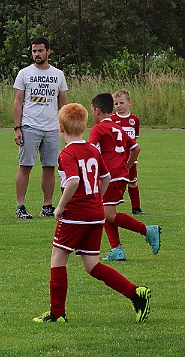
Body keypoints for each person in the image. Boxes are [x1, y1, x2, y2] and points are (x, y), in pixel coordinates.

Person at [33, 103, 152, 324]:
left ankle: (57, 314)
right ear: (85, 126)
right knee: (92, 265)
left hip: (75, 215)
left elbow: (73, 181)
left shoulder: (66, 153)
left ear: (60, 127)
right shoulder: (93, 150)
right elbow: (105, 178)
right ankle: (136, 293)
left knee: (58, 259)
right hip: (96, 214)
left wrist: (59, 207)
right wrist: (96, 198)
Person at [89, 93, 161, 261]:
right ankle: (117, 250)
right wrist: (126, 168)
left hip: (110, 177)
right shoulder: (117, 127)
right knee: (105, 211)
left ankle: (147, 230)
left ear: (97, 111)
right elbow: (136, 149)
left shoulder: (98, 128)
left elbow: (91, 151)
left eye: (92, 110)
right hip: (120, 175)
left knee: (107, 214)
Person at [13, 36, 68, 219]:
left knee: (49, 167)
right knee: (25, 166)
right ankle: (20, 206)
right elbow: (18, 102)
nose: (36, 54)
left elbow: (63, 103)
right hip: (30, 126)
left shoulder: (58, 74)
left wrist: (65, 126)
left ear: (48, 51)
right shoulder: (24, 73)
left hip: (51, 127)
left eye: (40, 51)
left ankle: (47, 205)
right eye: (34, 51)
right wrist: (17, 128)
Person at [112, 89, 144, 215]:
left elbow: (134, 139)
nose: (118, 106)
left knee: (132, 181)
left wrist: (132, 157)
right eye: (116, 104)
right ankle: (110, 204)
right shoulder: (112, 119)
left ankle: (136, 207)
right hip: (116, 158)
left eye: (121, 103)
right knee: (115, 181)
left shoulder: (134, 120)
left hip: (130, 157)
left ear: (129, 103)